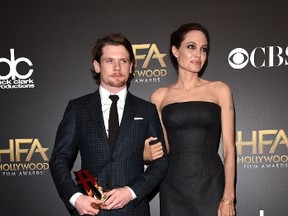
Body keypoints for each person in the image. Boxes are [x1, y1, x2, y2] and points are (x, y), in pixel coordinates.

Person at [49, 33, 168, 216]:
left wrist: (131, 192)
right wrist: (75, 198)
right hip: (90, 210)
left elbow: (160, 163)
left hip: (133, 210)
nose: (117, 67)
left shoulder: (146, 110)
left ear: (131, 66)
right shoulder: (78, 108)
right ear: (97, 66)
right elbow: (59, 159)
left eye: (123, 61)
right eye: (109, 61)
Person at [150, 23, 236, 216]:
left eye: (203, 49)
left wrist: (228, 196)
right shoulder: (159, 96)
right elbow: (163, 150)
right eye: (191, 46)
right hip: (172, 187)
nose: (198, 54)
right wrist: (146, 153)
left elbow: (229, 148)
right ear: (175, 50)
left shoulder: (220, 89)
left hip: (211, 185)